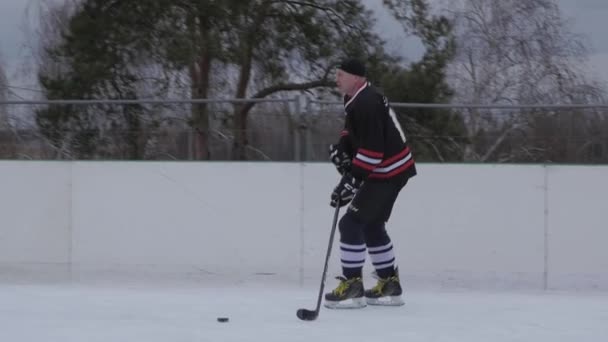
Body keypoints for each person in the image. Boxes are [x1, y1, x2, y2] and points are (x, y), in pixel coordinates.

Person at [324, 58, 417, 309]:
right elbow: (352, 131)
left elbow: (373, 152)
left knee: (351, 223)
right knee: (372, 225)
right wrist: (343, 151)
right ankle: (390, 284)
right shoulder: (356, 98)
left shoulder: (367, 102)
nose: (337, 79)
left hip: (387, 170)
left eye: (341, 75)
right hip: (392, 170)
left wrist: (351, 180)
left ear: (356, 77)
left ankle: (353, 286)